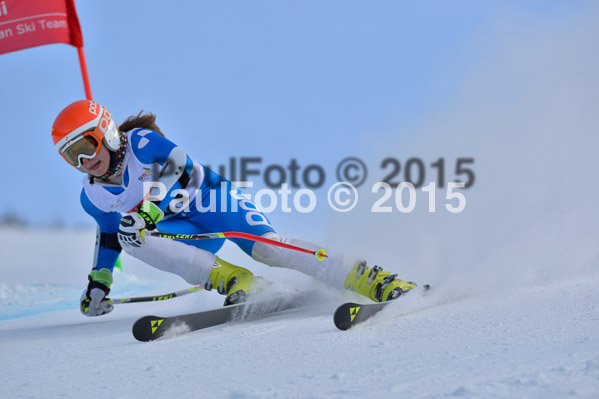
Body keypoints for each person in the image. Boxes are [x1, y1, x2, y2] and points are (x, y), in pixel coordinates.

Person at [51, 100, 416, 316]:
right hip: (185, 234)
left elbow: (179, 164)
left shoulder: (141, 142)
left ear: (106, 132)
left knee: (267, 248)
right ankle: (237, 282)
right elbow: (110, 237)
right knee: (130, 235)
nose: (83, 160)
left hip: (212, 202)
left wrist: (150, 209)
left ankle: (366, 277)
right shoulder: (92, 196)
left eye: (86, 146)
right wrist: (99, 282)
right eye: (71, 156)